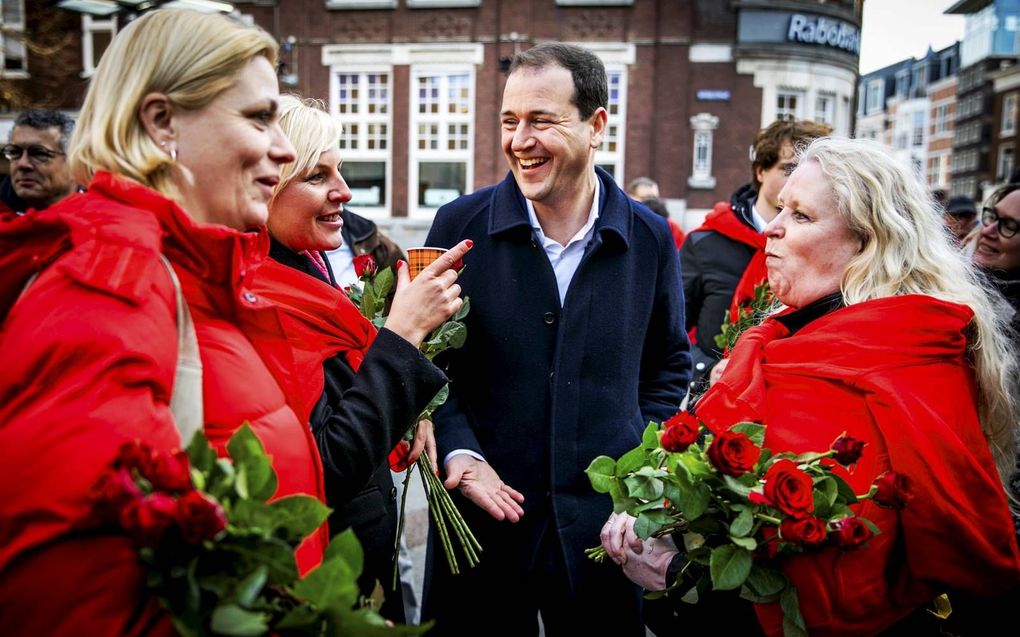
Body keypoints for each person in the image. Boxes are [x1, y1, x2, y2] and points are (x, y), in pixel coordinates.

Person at [602, 137, 1020, 636]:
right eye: (780, 209)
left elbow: (836, 599)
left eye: (800, 216)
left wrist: (675, 573)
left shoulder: (901, 361)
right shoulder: (789, 337)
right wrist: (656, 511)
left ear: (869, 242)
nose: (771, 230)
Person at [0, 10, 330, 634]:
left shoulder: (180, 270)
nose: (284, 148)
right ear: (161, 123)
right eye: (260, 118)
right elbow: (69, 598)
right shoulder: (112, 284)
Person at [421, 42, 691, 636]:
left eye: (541, 120)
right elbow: (430, 360)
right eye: (510, 121)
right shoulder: (456, 227)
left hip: (604, 533)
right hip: (482, 526)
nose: (520, 140)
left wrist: (640, 479)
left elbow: (669, 365)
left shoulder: (650, 238)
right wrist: (462, 453)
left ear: (596, 125)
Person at [256, 95, 468, 622]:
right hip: (324, 576)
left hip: (358, 552)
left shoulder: (304, 268)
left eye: (341, 170)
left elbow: (342, 398)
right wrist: (403, 332)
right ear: (267, 184)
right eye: (317, 175)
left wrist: (407, 411)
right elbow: (327, 464)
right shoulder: (265, 297)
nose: (344, 192)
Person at [680, 119, 830, 390]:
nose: (798, 179)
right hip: (711, 402)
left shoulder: (822, 248)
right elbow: (668, 333)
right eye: (788, 169)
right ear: (760, 171)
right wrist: (707, 369)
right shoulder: (706, 243)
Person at [1, 109, 77, 212]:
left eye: (38, 153)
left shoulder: (100, 220)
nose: (22, 164)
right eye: (15, 153)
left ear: (74, 162)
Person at [627, 175, 684, 248]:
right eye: (646, 197)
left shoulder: (671, 226)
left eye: (654, 197)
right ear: (631, 197)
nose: (651, 202)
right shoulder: (623, 223)